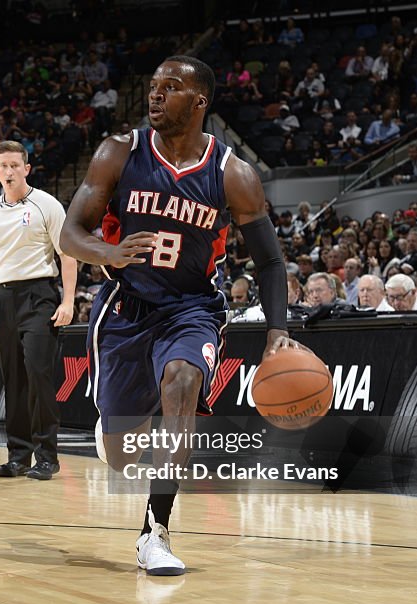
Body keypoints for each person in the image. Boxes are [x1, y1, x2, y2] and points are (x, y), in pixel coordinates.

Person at [59, 55, 303, 575]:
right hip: (125, 310)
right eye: (152, 86)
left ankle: (156, 531)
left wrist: (278, 330)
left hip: (192, 308)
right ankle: (118, 431)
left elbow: (270, 261)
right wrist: (109, 252)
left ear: (199, 102)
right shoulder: (118, 152)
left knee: (182, 382)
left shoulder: (232, 174)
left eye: (169, 88)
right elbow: (70, 232)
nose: (154, 95)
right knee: (123, 454)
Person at [0, 141, 78, 481]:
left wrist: (68, 300)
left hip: (40, 295)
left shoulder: (47, 204)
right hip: (4, 299)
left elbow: (68, 254)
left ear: (26, 169)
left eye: (15, 165)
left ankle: (48, 456)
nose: (9, 171)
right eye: (3, 165)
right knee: (13, 379)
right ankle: (18, 456)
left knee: (38, 374)